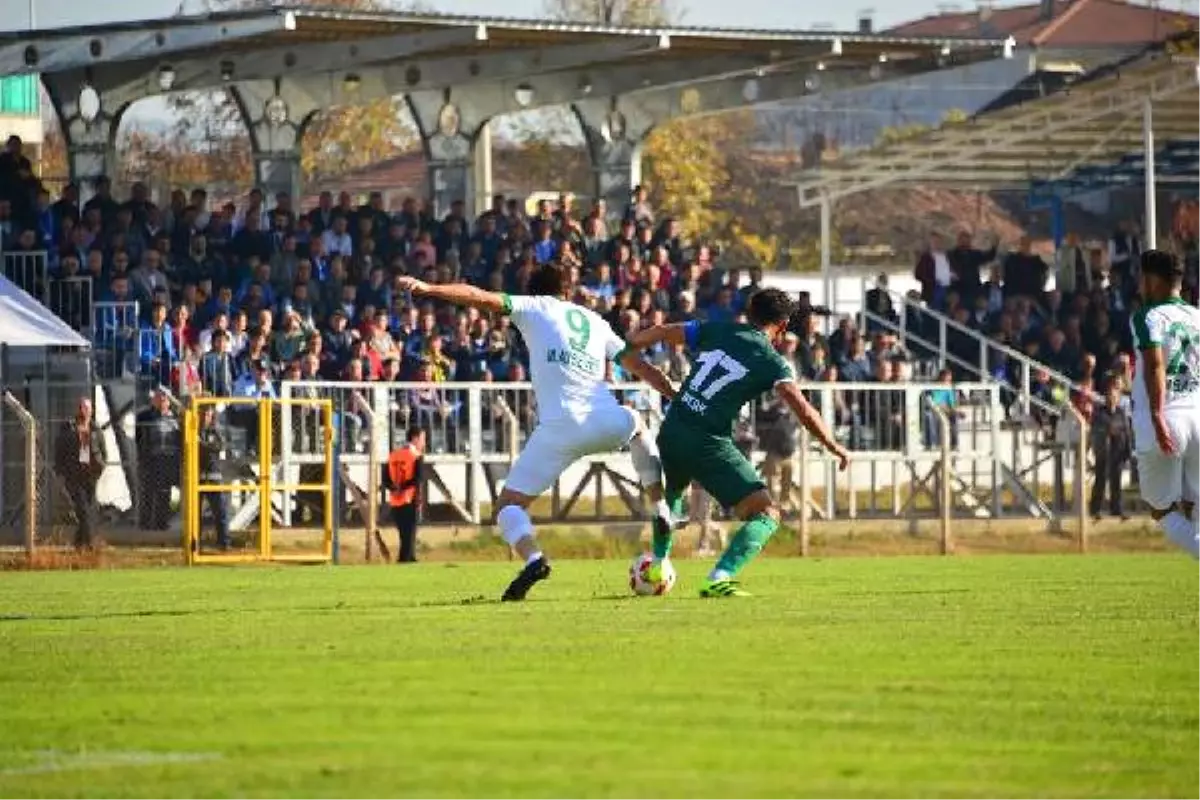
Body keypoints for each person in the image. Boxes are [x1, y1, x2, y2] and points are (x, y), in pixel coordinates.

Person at [396, 263, 678, 601]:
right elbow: (640, 366)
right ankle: (660, 505)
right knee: (636, 424)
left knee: (508, 506)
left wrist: (428, 288)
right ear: (568, 291)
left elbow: (475, 295)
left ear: (533, 290)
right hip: (604, 418)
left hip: (557, 430)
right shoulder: (595, 321)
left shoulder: (534, 307)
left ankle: (534, 558)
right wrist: (675, 395)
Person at [626, 288, 850, 597]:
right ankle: (719, 576)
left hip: (674, 426)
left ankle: (658, 564)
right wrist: (833, 445)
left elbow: (665, 331)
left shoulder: (718, 328)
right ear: (783, 326)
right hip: (708, 440)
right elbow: (803, 409)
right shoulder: (773, 361)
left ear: (750, 311)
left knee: (670, 504)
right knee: (766, 514)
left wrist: (624, 348)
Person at [1130, 249, 1200, 556]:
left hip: (1167, 418)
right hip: (1197, 415)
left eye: (1142, 279)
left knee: (1164, 512)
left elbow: (1155, 364)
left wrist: (1158, 415)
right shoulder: (1197, 316)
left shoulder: (1148, 316)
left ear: (1152, 280)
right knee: (1195, 504)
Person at [53, 397, 107, 550]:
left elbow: (103, 452)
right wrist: (61, 471)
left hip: (91, 475)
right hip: (74, 476)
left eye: (88, 408)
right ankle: (90, 545)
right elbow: (60, 451)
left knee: (89, 511)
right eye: (83, 408)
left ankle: (78, 544)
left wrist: (101, 466)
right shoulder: (69, 429)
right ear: (78, 410)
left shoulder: (96, 430)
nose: (85, 411)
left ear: (92, 411)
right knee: (83, 509)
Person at [1089, 379, 1132, 522]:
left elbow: (1126, 432)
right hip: (1104, 452)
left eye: (1114, 397)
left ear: (1118, 398)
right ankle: (1095, 509)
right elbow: (1096, 430)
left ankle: (1116, 509)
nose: (1111, 400)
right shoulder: (1100, 413)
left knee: (1116, 483)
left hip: (1118, 453)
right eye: (1109, 397)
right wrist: (1109, 431)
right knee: (1100, 481)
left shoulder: (1121, 413)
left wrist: (1127, 451)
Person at [386, 426, 425, 564]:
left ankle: (409, 557)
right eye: (422, 439)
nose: (423, 443)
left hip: (395, 498)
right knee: (410, 530)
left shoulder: (393, 454)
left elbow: (385, 478)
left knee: (403, 532)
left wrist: (393, 488)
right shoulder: (416, 456)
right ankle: (405, 559)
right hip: (409, 497)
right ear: (415, 438)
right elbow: (418, 479)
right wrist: (406, 489)